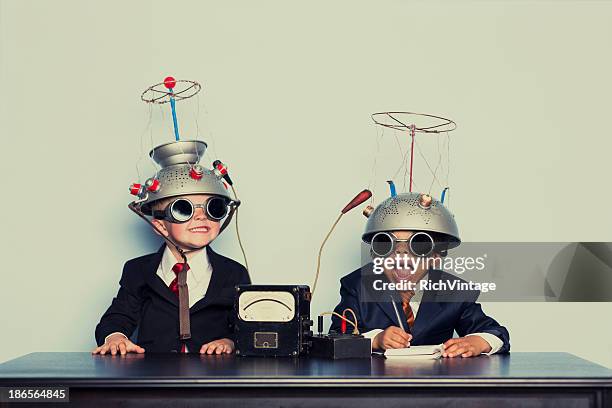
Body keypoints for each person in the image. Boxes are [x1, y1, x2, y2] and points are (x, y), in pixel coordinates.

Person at [93, 140, 249, 355]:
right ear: (159, 226)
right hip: (154, 377)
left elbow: (246, 325)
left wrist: (229, 342)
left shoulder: (234, 272)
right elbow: (118, 316)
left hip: (213, 377)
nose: (201, 216)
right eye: (184, 209)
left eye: (213, 207)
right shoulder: (138, 270)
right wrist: (116, 337)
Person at [331, 192, 509, 357]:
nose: (401, 255)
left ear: (435, 257)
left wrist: (479, 342)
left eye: (417, 247)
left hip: (432, 385)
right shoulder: (358, 285)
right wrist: (374, 341)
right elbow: (335, 337)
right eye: (387, 245)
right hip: (378, 385)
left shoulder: (454, 292)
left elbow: (496, 332)